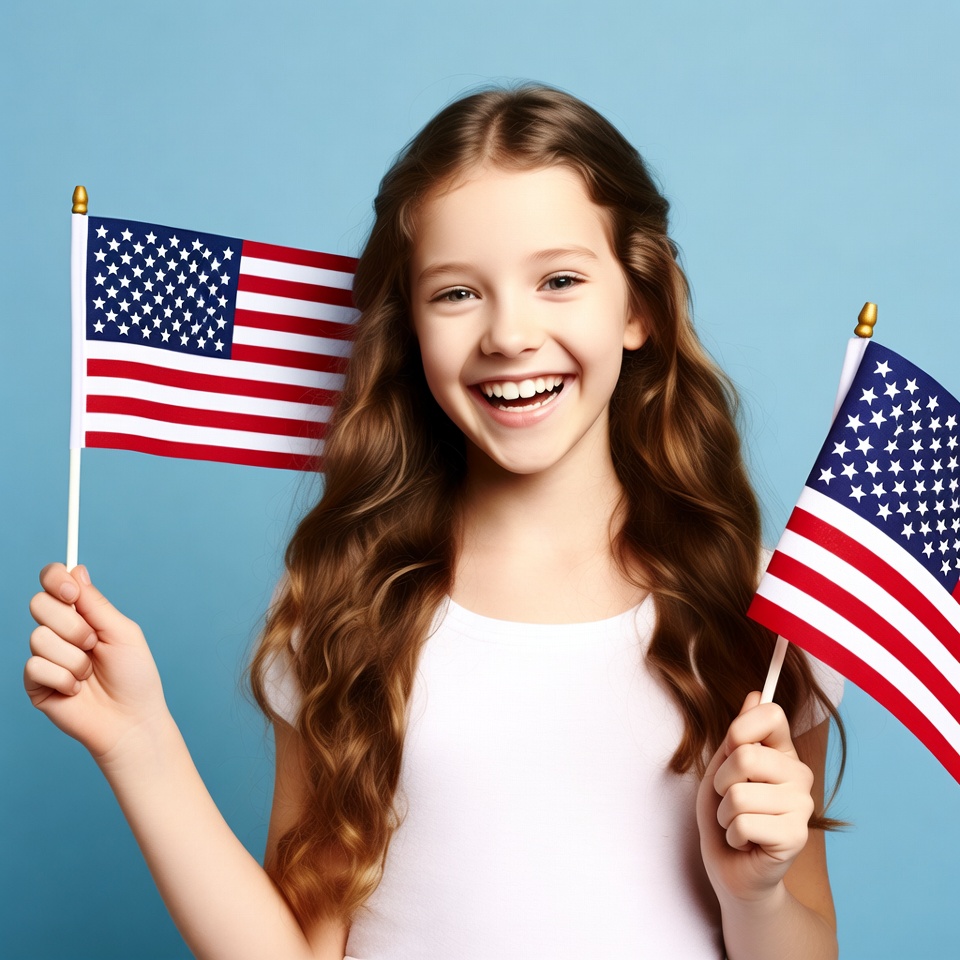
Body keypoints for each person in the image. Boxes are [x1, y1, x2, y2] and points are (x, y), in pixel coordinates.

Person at [25, 84, 844, 960]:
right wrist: (140, 742)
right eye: (457, 294)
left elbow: (807, 944)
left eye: (559, 280)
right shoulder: (347, 608)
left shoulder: (763, 609)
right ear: (410, 327)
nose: (510, 333)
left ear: (638, 306)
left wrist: (753, 895)